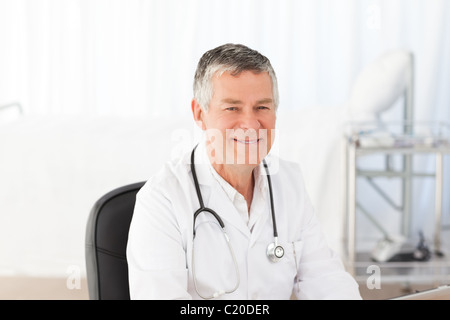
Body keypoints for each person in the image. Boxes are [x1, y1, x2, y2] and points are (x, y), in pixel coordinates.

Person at [126, 43, 362, 300]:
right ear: (199, 113)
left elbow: (326, 279)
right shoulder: (162, 199)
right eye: (232, 108)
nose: (250, 124)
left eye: (262, 107)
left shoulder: (289, 182)